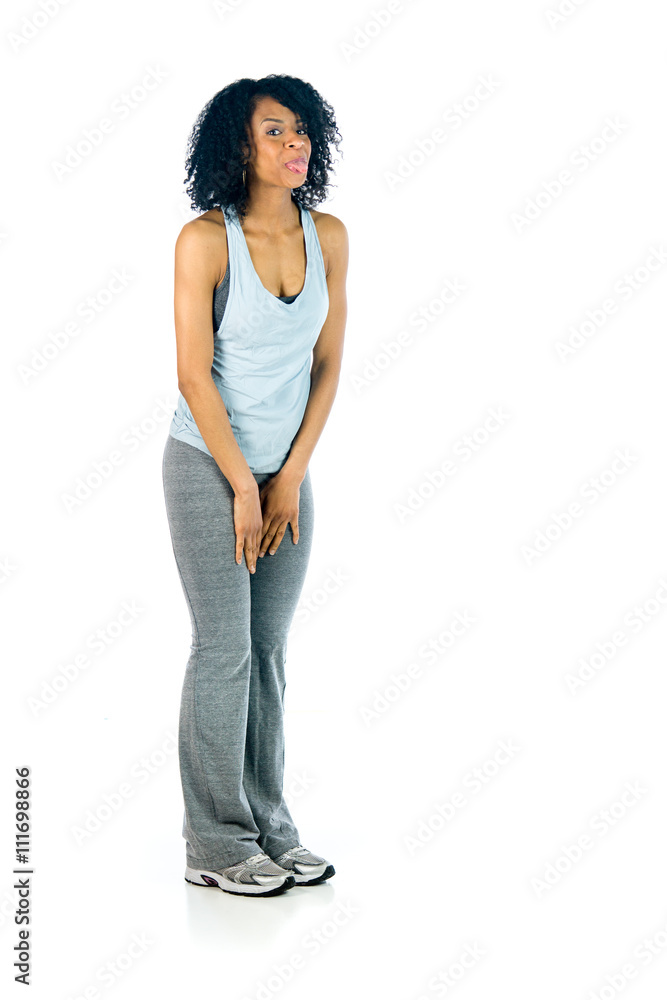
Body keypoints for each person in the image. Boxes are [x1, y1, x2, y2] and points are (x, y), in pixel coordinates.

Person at [161, 74, 348, 897]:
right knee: (225, 649)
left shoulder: (328, 235)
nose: (294, 143)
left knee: (267, 652)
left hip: (285, 472)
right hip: (209, 466)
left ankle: (268, 827)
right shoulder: (204, 240)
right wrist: (243, 485)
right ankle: (214, 841)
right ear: (238, 144)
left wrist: (290, 475)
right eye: (274, 131)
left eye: (301, 131)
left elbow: (327, 362)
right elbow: (193, 376)